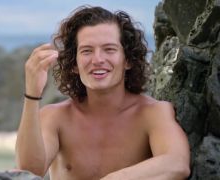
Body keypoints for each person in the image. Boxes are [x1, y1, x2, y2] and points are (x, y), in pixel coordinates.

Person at [15, 5, 190, 180]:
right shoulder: (55, 117)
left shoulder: (153, 113)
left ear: (127, 59)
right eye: (87, 51)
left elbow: (177, 163)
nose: (98, 59)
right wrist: (32, 94)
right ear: (74, 64)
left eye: (109, 49)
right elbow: (29, 171)